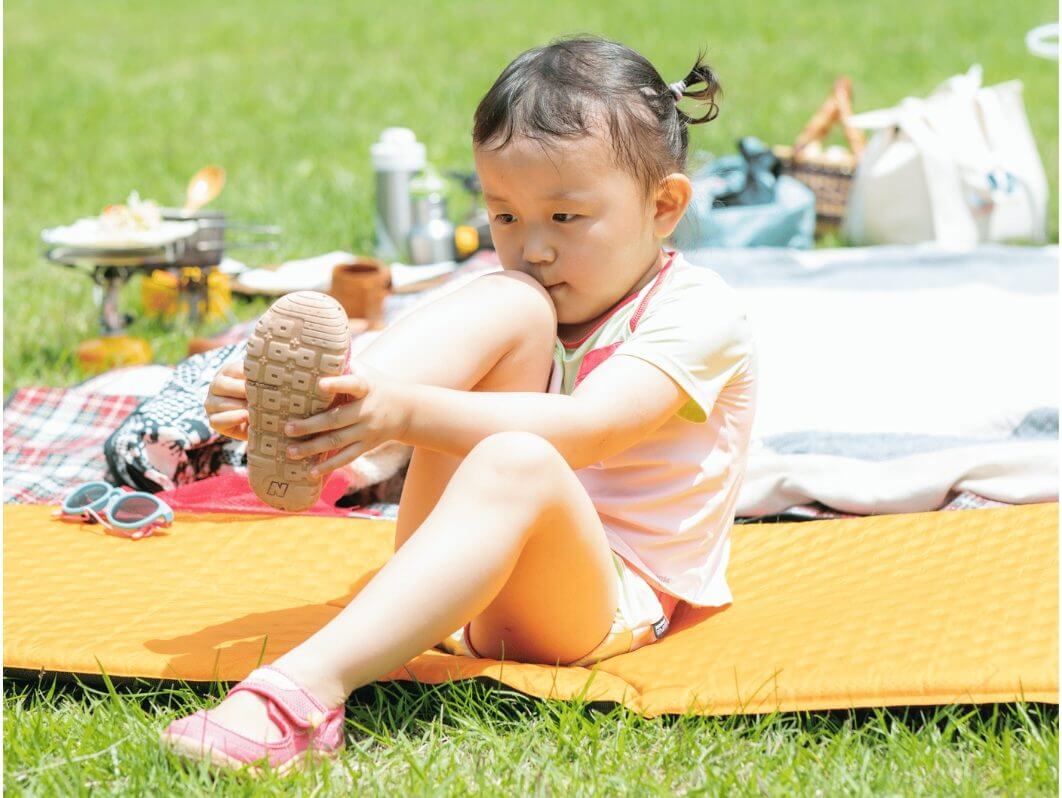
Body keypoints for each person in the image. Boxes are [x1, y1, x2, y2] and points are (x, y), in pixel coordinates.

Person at [161, 35, 757, 775]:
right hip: (456, 578)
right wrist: (345, 399)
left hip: (594, 605)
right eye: (505, 217)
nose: (531, 248)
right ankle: (315, 425)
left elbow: (589, 430)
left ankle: (297, 697)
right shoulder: (529, 288)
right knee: (505, 303)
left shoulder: (701, 312)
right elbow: (439, 351)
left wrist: (402, 413)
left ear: (663, 205)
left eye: (565, 220)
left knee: (518, 458)